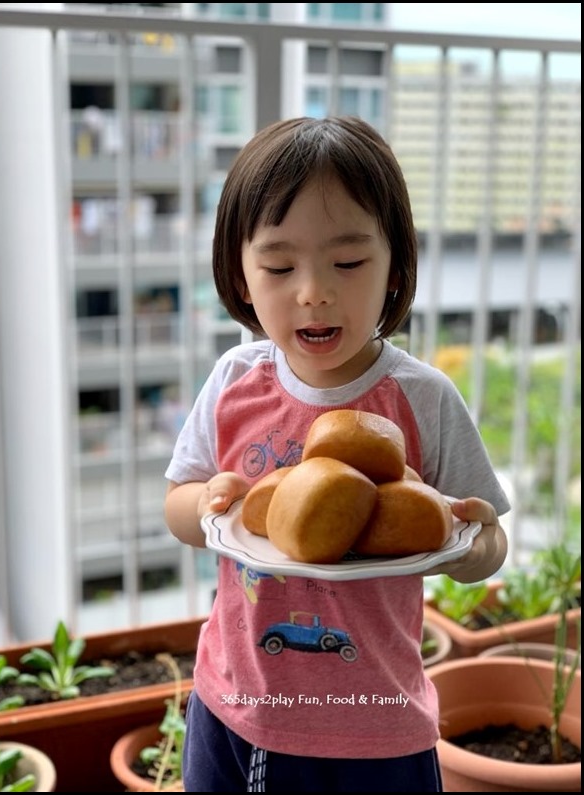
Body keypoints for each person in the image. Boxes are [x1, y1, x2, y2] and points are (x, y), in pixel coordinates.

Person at [164, 115, 510, 793]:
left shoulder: (421, 397)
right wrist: (207, 504)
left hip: (376, 721)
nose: (313, 289)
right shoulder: (236, 381)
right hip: (234, 701)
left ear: (394, 266)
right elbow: (179, 503)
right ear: (239, 272)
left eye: (347, 262)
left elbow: (487, 536)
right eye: (278, 264)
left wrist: (474, 549)